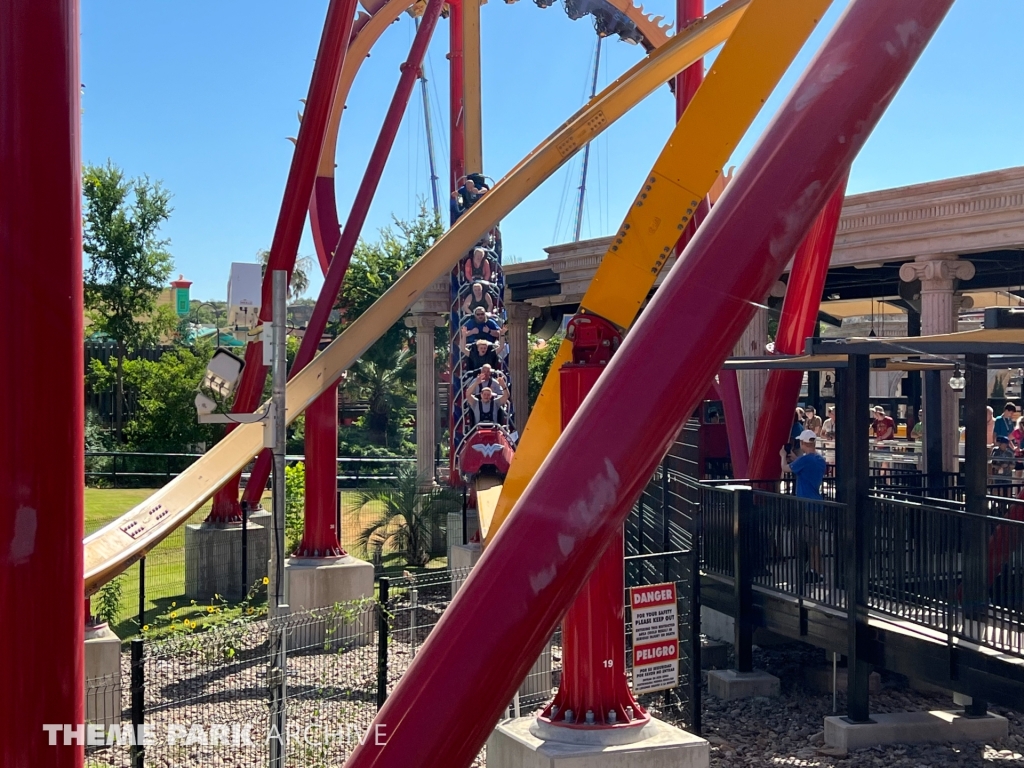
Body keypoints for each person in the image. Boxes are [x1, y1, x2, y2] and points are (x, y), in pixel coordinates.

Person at [780, 429, 828, 584]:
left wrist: (782, 457)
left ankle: (817, 572)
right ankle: (814, 570)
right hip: (817, 502)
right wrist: (794, 458)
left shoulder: (805, 460)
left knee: (811, 540)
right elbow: (802, 465)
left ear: (803, 443)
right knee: (813, 538)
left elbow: (786, 468)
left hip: (805, 503)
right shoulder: (819, 460)